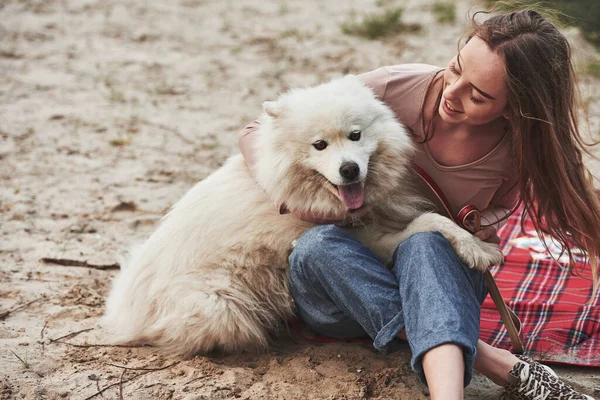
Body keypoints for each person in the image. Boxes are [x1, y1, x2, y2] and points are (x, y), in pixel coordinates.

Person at [238, 9, 598, 400]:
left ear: (513, 108)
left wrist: (478, 223)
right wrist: (288, 198)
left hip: (436, 278)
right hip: (342, 291)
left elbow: (508, 207)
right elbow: (261, 129)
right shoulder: (394, 85)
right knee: (315, 247)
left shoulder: (517, 149)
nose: (452, 93)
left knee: (426, 242)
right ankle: (495, 362)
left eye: (477, 95)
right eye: (455, 69)